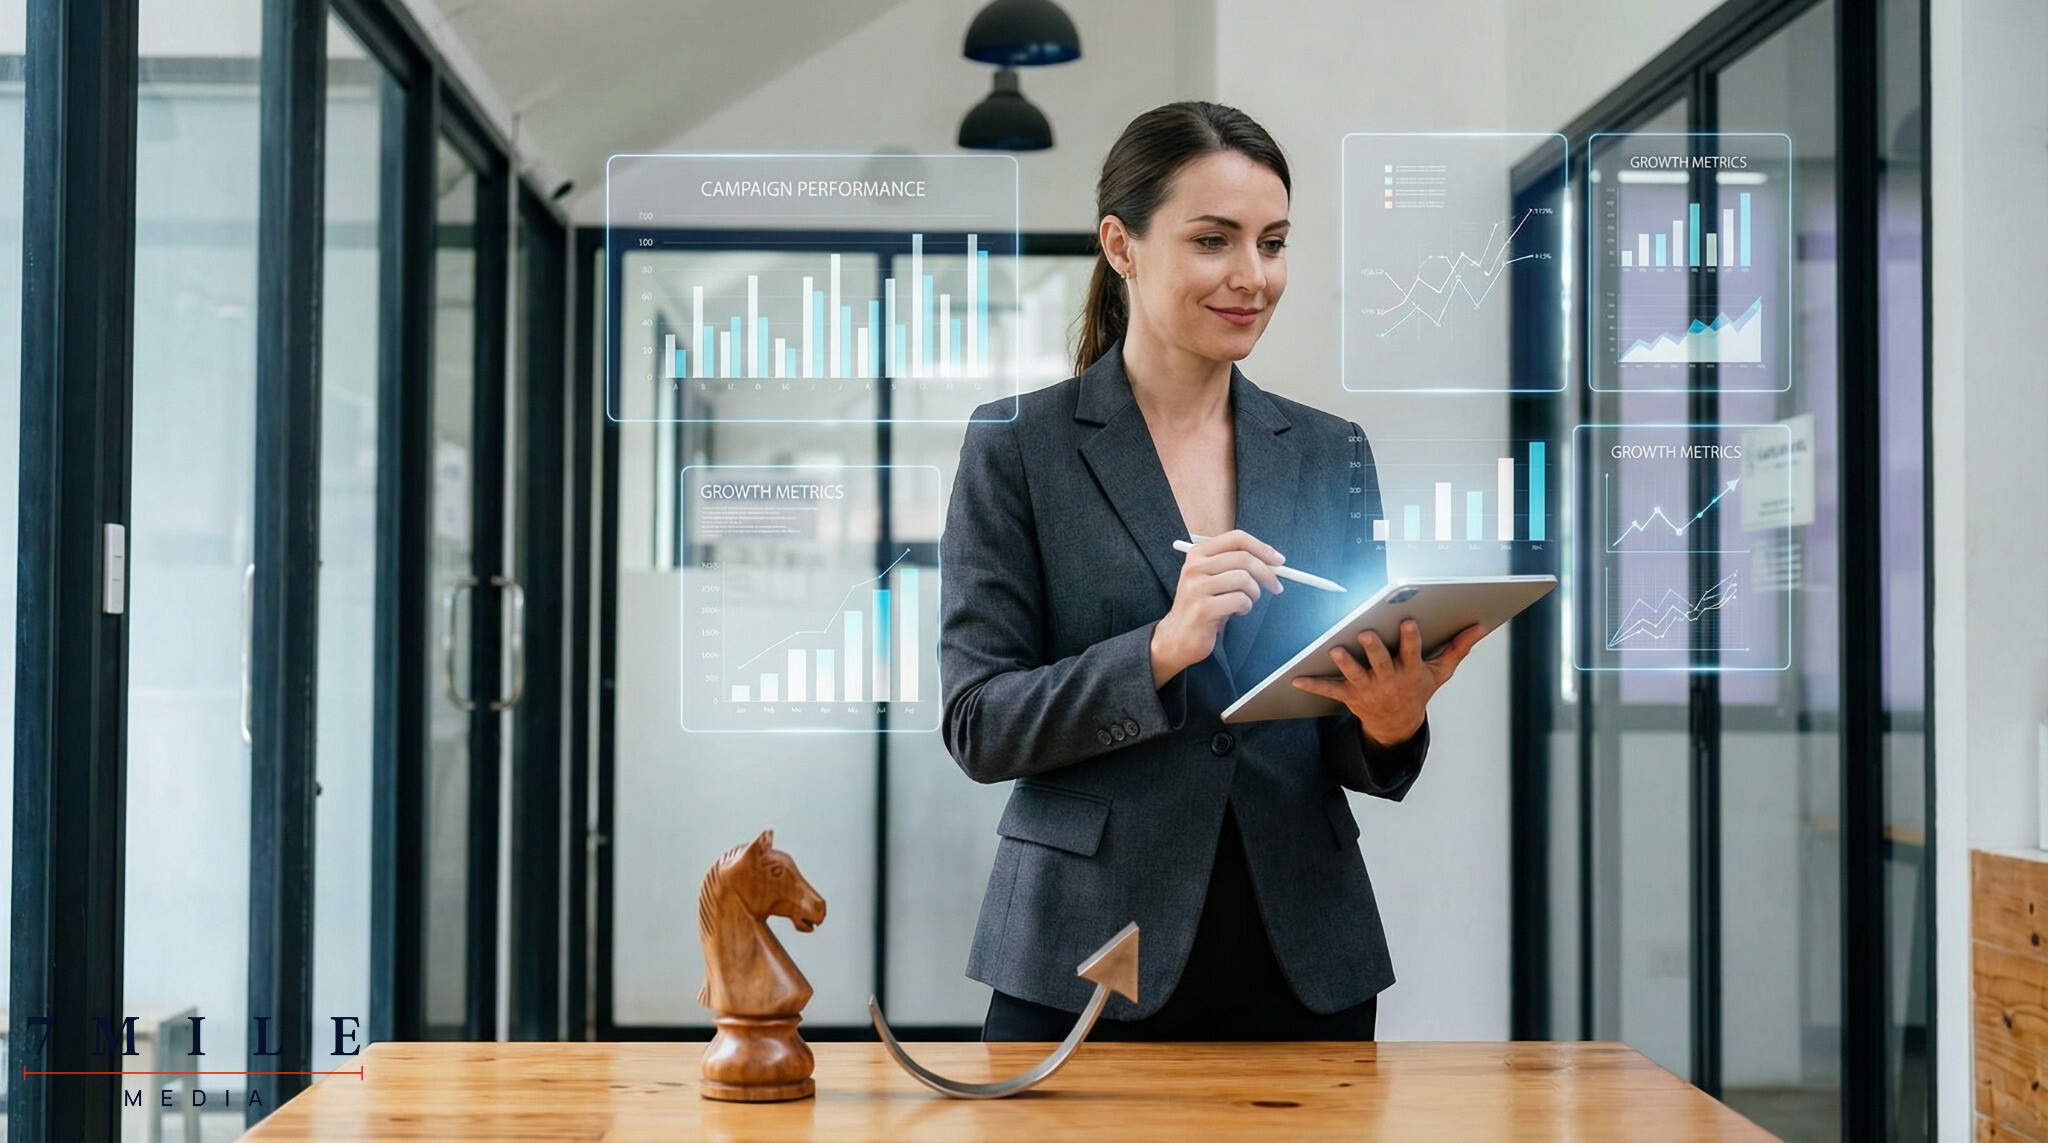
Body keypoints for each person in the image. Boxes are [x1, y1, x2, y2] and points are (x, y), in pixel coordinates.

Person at [938, 101, 1487, 1042]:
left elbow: (1350, 737)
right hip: (1083, 953)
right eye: (1213, 240)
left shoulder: (1330, 450)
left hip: (1303, 952)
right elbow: (979, 725)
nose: (1252, 276)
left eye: (1273, 243)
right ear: (1122, 244)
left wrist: (1393, 722)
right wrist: (1158, 649)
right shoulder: (1019, 447)